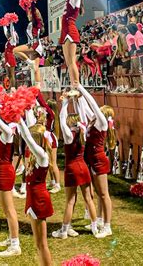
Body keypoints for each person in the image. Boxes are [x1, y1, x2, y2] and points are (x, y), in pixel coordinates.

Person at [51, 93, 100, 239]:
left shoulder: (68, 134)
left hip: (72, 169)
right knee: (89, 199)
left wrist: (66, 102)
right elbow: (91, 118)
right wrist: (77, 100)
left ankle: (64, 230)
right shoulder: (84, 131)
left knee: (70, 201)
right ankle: (94, 227)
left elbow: (60, 118)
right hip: (83, 167)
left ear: (69, 122)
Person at [77, 84, 114, 238]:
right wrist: (77, 97)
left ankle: (107, 226)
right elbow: (85, 108)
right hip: (92, 159)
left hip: (99, 160)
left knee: (104, 194)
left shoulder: (102, 124)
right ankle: (99, 219)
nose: (96, 111)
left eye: (100, 110)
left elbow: (91, 103)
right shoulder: (94, 122)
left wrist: (81, 87)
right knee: (98, 193)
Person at [0, 109, 22, 258]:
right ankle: (11, 237)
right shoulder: (6, 129)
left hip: (5, 172)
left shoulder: (9, 130)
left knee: (9, 209)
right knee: (6, 210)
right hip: (0, 170)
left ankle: (15, 245)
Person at [18, 119, 53, 266]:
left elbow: (26, 136)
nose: (27, 142)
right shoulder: (35, 156)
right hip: (33, 199)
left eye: (31, 139)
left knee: (42, 244)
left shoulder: (42, 156)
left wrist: (18, 117)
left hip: (39, 199)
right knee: (38, 243)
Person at [59, 0, 84, 89]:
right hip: (64, 31)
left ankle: (76, 86)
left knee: (72, 61)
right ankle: (73, 85)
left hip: (70, 30)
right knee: (68, 62)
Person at [13, 3, 44, 88]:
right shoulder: (31, 23)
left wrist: (32, 2)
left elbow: (33, 11)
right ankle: (38, 89)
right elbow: (28, 10)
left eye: (29, 14)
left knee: (15, 50)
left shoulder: (36, 22)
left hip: (35, 45)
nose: (27, 15)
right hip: (35, 45)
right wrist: (26, 5)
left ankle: (30, 62)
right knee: (36, 69)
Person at [3, 21, 18, 90]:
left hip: (11, 57)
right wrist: (4, 24)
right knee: (8, 75)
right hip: (6, 58)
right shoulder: (8, 40)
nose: (7, 34)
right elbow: (5, 31)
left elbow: (12, 30)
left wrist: (11, 22)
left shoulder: (13, 40)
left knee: (12, 75)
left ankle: (13, 89)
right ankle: (9, 89)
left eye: (8, 34)